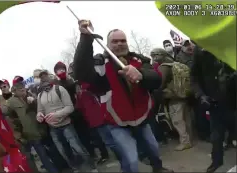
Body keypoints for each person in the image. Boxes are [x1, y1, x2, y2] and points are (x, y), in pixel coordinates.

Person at [73, 20, 173, 173]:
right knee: (131, 160)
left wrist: (142, 75)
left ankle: (158, 169)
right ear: (107, 44)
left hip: (141, 118)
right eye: (115, 41)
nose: (120, 44)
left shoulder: (139, 60)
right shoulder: (100, 64)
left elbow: (156, 79)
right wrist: (86, 39)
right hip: (117, 122)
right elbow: (80, 72)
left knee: (153, 148)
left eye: (123, 40)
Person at [36, 70, 97, 172]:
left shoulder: (59, 89)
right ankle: (75, 168)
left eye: (45, 76)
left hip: (66, 125)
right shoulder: (40, 95)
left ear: (49, 77)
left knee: (78, 148)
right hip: (53, 129)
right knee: (64, 152)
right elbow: (40, 111)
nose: (43, 79)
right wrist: (39, 116)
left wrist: (56, 114)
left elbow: (70, 107)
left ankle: (92, 167)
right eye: (41, 77)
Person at [190, 46, 236, 173]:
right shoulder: (200, 51)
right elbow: (194, 78)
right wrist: (201, 95)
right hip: (214, 103)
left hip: (233, 101)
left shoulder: (229, 43)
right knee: (216, 136)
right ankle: (216, 161)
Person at [1, 75, 58, 173]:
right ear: (15, 91)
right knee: (42, 156)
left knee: (53, 151)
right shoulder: (11, 102)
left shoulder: (30, 95)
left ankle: (61, 167)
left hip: (41, 129)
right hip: (30, 133)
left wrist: (34, 101)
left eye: (23, 89)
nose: (23, 92)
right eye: (20, 90)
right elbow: (4, 111)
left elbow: (42, 107)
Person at [150, 48, 192, 151]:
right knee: (186, 118)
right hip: (184, 95)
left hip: (173, 96)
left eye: (155, 55)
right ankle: (189, 138)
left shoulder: (163, 67)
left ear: (162, 55)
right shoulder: (175, 64)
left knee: (177, 120)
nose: (154, 58)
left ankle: (185, 142)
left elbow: (160, 84)